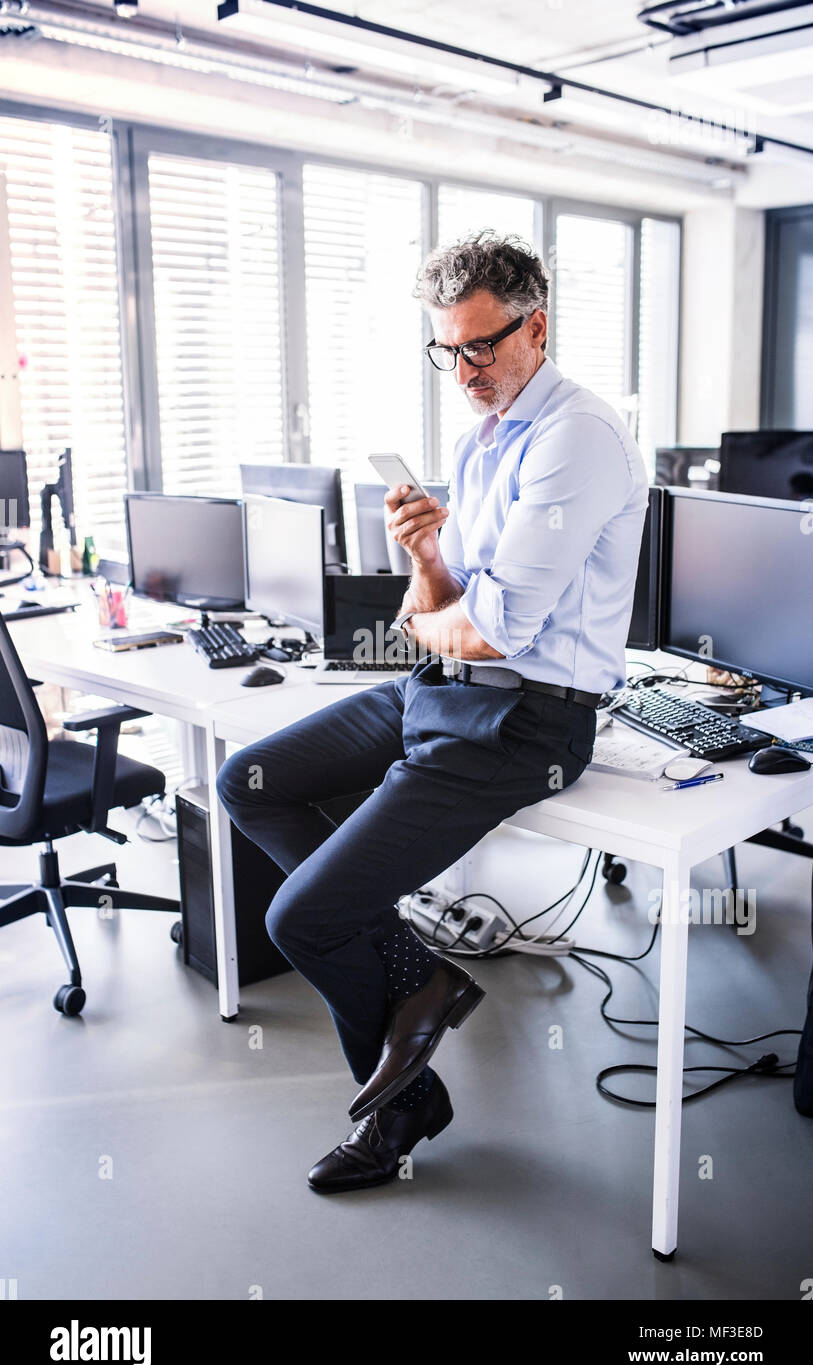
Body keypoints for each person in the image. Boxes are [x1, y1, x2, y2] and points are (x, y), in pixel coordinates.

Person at [216, 231, 649, 1194]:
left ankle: (398, 1112)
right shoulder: (482, 435)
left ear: (537, 328)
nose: (463, 370)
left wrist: (435, 620)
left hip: (527, 722)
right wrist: (422, 557)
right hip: (446, 690)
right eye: (446, 350)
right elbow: (440, 607)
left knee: (304, 919)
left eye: (482, 347)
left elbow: (490, 633)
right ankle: (422, 979)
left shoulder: (577, 436)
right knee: (248, 781)